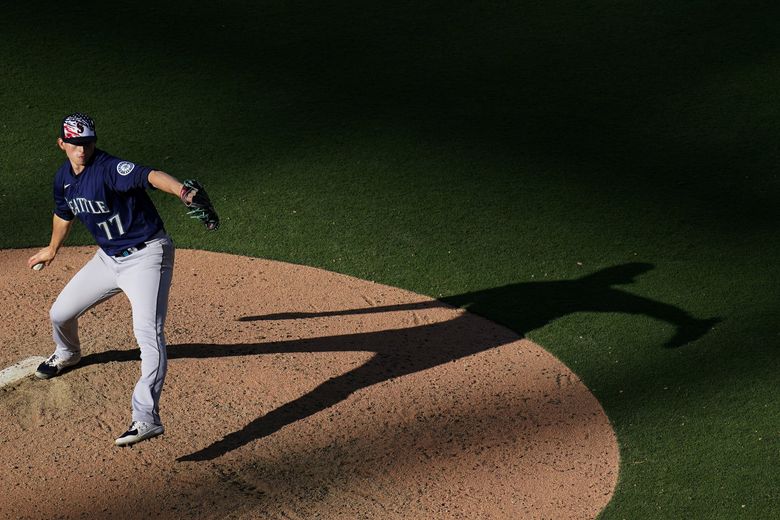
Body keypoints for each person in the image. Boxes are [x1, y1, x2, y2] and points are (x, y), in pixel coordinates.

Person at [27, 113, 218, 446]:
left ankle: (146, 418)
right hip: (108, 259)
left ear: (94, 142)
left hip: (147, 257)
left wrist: (183, 192)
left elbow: (150, 175)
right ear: (62, 144)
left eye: (86, 143)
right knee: (60, 314)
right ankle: (69, 353)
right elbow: (63, 214)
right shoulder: (64, 178)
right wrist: (52, 248)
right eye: (74, 144)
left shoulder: (109, 169)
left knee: (148, 333)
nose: (81, 151)